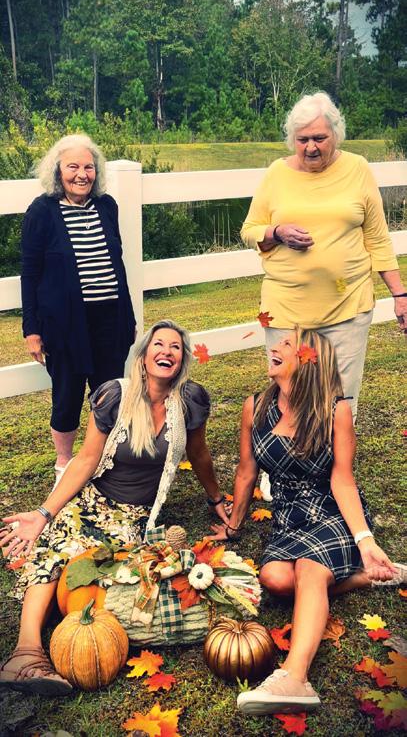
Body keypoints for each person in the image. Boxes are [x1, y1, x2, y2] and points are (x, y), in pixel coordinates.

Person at [0, 320, 230, 695]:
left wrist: (216, 498)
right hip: (92, 500)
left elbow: (199, 453)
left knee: (98, 569)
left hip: (136, 518)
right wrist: (44, 513)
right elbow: (86, 459)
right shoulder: (115, 396)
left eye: (175, 347)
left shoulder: (189, 402)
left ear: (182, 360)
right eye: (158, 344)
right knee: (57, 546)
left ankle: (52, 645)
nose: (166, 351)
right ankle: (25, 652)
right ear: (143, 356)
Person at [210, 328, 405, 715]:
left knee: (310, 569)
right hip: (288, 516)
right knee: (276, 579)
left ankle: (294, 677)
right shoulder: (255, 406)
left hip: (330, 509)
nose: (275, 347)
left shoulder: (335, 410)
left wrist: (364, 539)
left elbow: (342, 479)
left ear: (309, 360)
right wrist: (233, 525)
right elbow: (247, 471)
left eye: (287, 343)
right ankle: (370, 576)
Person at [241, 91, 407, 420]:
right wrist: (277, 232)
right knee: (289, 397)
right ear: (293, 139)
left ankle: (336, 455)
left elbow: (377, 237)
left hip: (348, 306)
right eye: (302, 139)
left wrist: (400, 295)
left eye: (319, 138)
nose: (311, 147)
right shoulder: (276, 173)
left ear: (336, 134)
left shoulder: (357, 169)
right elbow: (250, 229)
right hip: (285, 308)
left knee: (341, 400)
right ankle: (288, 455)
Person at [21, 133, 136, 481]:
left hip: (110, 318)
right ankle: (64, 465)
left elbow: (117, 264)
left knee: (109, 393)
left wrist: (128, 316)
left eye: (89, 167)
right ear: (57, 170)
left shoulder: (106, 206)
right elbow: (30, 273)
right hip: (65, 323)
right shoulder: (42, 211)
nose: (82, 175)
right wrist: (32, 329)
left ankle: (102, 460)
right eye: (73, 167)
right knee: (67, 395)